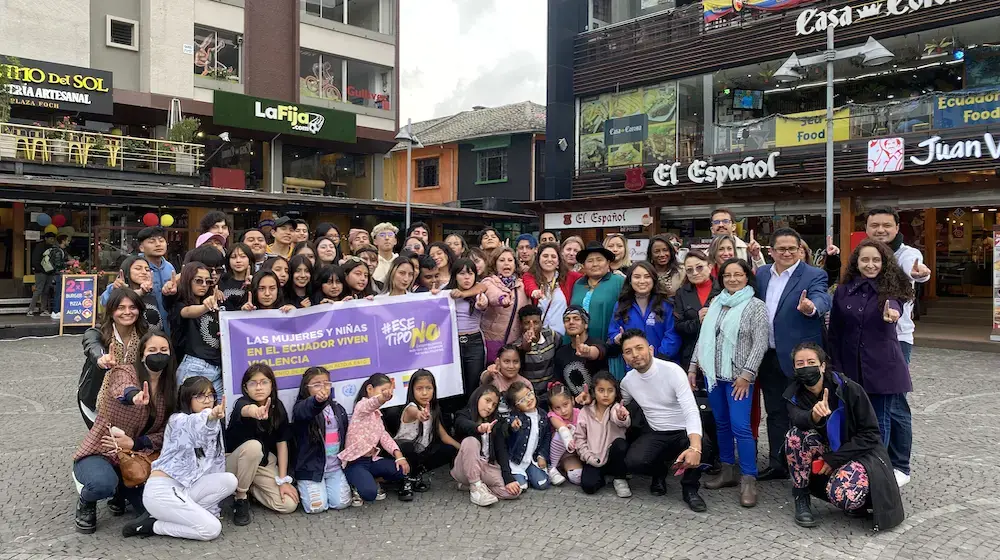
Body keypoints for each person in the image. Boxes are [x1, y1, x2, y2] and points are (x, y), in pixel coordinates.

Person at [784, 343, 904, 531]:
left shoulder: (849, 389)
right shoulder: (793, 394)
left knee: (844, 496)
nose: (805, 367)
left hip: (860, 454)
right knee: (795, 437)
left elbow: (871, 434)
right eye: (800, 363)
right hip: (828, 451)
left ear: (822, 366)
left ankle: (862, 502)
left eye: (811, 362)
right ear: (794, 369)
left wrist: (834, 459)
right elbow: (797, 419)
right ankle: (801, 497)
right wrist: (813, 416)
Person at [72, 330, 177, 534]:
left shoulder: (170, 388)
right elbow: (122, 388)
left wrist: (135, 444)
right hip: (102, 451)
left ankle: (122, 491)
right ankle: (86, 500)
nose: (159, 354)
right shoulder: (125, 371)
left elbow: (165, 432)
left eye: (164, 350)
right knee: (102, 484)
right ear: (142, 354)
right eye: (152, 350)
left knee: (152, 512)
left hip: (135, 456)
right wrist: (135, 396)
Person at [829, 239, 914, 486]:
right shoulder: (844, 290)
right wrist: (835, 367)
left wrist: (893, 313)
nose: (870, 264)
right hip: (849, 368)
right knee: (855, 422)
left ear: (884, 262)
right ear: (856, 262)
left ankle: (879, 473)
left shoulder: (892, 289)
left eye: (876, 260)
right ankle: (857, 469)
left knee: (879, 422)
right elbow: (835, 331)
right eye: (865, 259)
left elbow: (894, 307)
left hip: (882, 369)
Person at [689, 258, 769, 507]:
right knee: (722, 424)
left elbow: (760, 343)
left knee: (741, 427)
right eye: (727, 275)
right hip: (714, 377)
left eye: (738, 274)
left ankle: (748, 478)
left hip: (739, 380)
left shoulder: (756, 306)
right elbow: (703, 339)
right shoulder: (716, 304)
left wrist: (747, 374)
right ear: (721, 278)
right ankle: (727, 470)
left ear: (747, 277)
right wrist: (693, 367)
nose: (732, 279)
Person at [754, 227, 831, 482]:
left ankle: (809, 462)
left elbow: (822, 298)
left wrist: (812, 308)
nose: (787, 252)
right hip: (769, 355)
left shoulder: (814, 274)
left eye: (792, 248)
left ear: (800, 249)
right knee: (775, 411)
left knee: (805, 412)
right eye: (781, 249)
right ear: (772, 251)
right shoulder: (763, 273)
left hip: (800, 360)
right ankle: (779, 463)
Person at [125, 376, 236, 540]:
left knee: (229, 480)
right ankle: (154, 526)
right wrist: (210, 416)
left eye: (210, 395)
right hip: (162, 491)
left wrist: (212, 511)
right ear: (187, 398)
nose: (207, 400)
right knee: (211, 530)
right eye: (200, 396)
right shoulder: (177, 420)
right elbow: (195, 428)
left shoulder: (213, 423)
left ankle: (183, 516)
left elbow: (214, 464)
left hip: (186, 488)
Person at [620, 329, 707, 512]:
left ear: (650, 349)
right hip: (655, 431)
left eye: (639, 348)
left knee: (703, 445)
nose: (635, 355)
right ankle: (659, 471)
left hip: (683, 430)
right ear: (624, 357)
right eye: (629, 351)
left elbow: (691, 410)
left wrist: (695, 447)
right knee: (634, 461)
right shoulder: (628, 382)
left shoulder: (672, 371)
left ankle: (690, 489)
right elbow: (620, 403)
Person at [225, 364, 297, 525]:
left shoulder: (277, 407)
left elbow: (282, 443)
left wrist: (283, 480)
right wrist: (255, 412)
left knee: (288, 504)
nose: (259, 387)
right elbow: (245, 410)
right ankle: (241, 498)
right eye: (253, 383)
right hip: (233, 462)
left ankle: (250, 487)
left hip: (261, 463)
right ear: (245, 387)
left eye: (264, 382)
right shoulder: (241, 403)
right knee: (253, 447)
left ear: (272, 384)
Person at [864, 206, 931, 365]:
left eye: (886, 225)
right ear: (866, 228)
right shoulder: (862, 255)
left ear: (897, 228)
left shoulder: (906, 253)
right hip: (864, 334)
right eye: (875, 225)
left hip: (896, 335)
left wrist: (919, 272)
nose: (880, 230)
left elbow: (911, 265)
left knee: (894, 388)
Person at [78, 288, 150, 429]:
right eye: (121, 308)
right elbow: (91, 344)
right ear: (111, 311)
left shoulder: (146, 336)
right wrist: (101, 358)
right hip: (97, 397)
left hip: (133, 398)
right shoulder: (97, 332)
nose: (127, 312)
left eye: (132, 307)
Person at [339, 374, 410, 502]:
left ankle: (369, 479)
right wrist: (382, 398)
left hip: (371, 460)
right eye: (383, 390)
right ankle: (354, 482)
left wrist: (399, 456)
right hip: (355, 462)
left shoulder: (377, 415)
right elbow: (371, 404)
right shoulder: (361, 406)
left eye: (389, 391)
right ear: (369, 389)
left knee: (402, 470)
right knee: (369, 494)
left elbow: (385, 437)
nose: (387, 394)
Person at [292, 367, 352, 514]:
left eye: (326, 383)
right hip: (311, 469)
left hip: (334, 467)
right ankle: (304, 486)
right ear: (306, 388)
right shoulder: (301, 407)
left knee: (341, 503)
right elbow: (307, 409)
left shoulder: (338, 408)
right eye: (317, 384)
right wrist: (316, 401)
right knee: (316, 507)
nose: (323, 388)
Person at [607, 262, 682, 377]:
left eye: (647, 277)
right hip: (634, 368)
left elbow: (672, 335)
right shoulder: (621, 305)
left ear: (654, 280)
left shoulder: (666, 304)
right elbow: (613, 332)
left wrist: (655, 360)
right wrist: (617, 338)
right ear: (630, 281)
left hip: (664, 366)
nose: (642, 281)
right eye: (637, 277)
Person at [451, 385, 520, 506]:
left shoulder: (495, 421)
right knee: (470, 441)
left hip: (485, 466)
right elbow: (461, 424)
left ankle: (471, 486)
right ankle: (476, 487)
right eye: (487, 401)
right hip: (464, 466)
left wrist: (508, 477)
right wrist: (477, 428)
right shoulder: (463, 414)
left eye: (494, 405)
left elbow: (501, 450)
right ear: (477, 397)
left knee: (513, 492)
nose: (489, 407)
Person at [394, 370, 461, 493]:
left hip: (422, 451)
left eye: (428, 388)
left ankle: (417, 471)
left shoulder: (433, 410)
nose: (424, 393)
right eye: (419, 389)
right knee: (409, 447)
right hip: (404, 452)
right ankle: (407, 479)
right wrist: (420, 415)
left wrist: (462, 447)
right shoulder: (410, 408)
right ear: (412, 390)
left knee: (448, 449)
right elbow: (415, 412)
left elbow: (444, 436)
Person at [570, 242, 625, 376]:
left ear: (608, 262)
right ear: (584, 265)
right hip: (581, 345)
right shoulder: (578, 284)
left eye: (599, 260)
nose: (595, 264)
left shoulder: (618, 281)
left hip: (608, 346)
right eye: (590, 261)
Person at [574, 372, 632, 497]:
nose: (605, 395)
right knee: (588, 486)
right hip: (595, 458)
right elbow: (579, 438)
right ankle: (605, 477)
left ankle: (619, 477)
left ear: (615, 392)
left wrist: (622, 417)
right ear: (594, 392)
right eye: (601, 390)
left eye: (610, 390)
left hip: (613, 457)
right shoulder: (585, 412)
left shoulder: (616, 409)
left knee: (621, 444)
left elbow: (622, 421)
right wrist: (588, 457)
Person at [174, 262, 225, 398]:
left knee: (218, 415)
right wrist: (205, 307)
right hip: (195, 365)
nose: (203, 285)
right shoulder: (179, 303)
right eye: (198, 280)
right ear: (187, 280)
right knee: (189, 414)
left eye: (208, 281)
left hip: (219, 367)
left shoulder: (215, 304)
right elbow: (188, 312)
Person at [447, 258, 490, 397]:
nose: (466, 278)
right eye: (462, 273)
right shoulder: (446, 293)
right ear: (454, 275)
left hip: (474, 342)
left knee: (473, 385)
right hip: (452, 343)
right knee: (454, 386)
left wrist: (478, 301)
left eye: (470, 274)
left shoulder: (479, 293)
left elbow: (482, 293)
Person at [522, 242, 582, 336]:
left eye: (553, 256)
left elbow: (588, 277)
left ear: (558, 261)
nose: (549, 259)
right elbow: (529, 285)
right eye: (545, 256)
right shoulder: (530, 276)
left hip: (563, 335)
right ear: (538, 259)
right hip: (540, 337)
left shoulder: (569, 277)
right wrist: (534, 292)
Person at [481, 246, 528, 361]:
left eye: (510, 260)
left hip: (515, 341)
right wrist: (501, 298)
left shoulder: (521, 285)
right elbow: (492, 294)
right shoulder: (489, 281)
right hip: (493, 340)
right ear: (494, 264)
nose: (506, 264)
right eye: (501, 260)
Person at [673, 250, 717, 371]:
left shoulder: (723, 289)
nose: (695, 273)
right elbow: (678, 325)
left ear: (709, 266)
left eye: (699, 267)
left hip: (719, 355)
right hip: (691, 354)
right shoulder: (682, 293)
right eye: (690, 270)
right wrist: (698, 321)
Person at [505, 381, 552, 491]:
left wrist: (542, 456)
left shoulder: (542, 415)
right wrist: (512, 425)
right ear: (516, 406)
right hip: (516, 461)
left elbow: (546, 436)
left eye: (529, 394)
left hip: (532, 459)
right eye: (522, 400)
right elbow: (508, 426)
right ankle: (519, 476)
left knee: (543, 484)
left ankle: (531, 474)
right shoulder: (516, 417)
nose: (528, 400)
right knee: (521, 487)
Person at [553, 306, 607, 397]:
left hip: (598, 403)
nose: (571, 322)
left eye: (576, 318)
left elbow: (598, 352)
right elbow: (559, 384)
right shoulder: (560, 353)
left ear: (585, 324)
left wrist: (588, 352)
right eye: (567, 320)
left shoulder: (597, 344)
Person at [514, 305, 560, 405]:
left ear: (541, 322)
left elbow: (559, 351)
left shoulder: (551, 336)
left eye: (535, 322)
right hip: (529, 396)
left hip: (550, 393)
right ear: (521, 325)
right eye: (527, 323)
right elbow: (523, 351)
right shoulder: (516, 346)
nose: (532, 327)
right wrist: (526, 344)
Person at [545, 382, 582, 486]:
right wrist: (569, 438)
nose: (563, 410)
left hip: (575, 452)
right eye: (557, 408)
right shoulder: (553, 416)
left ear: (572, 400)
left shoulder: (579, 413)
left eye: (566, 404)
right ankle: (551, 467)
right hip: (561, 454)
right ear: (552, 409)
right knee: (561, 434)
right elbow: (562, 428)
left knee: (577, 477)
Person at [27, 232, 57, 316]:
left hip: (50, 272)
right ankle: (30, 310)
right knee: (38, 290)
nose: (52, 240)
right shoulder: (39, 247)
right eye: (50, 238)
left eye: (53, 239)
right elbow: (35, 260)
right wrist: (41, 270)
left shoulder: (53, 248)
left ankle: (43, 310)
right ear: (46, 238)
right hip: (40, 272)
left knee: (46, 291)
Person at [217, 243, 252, 311]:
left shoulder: (257, 280)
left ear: (250, 259)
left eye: (243, 256)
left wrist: (251, 286)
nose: (238, 261)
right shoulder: (221, 279)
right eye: (233, 257)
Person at [43, 234, 71, 319]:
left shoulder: (61, 250)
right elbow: (58, 265)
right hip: (57, 275)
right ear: (63, 241)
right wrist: (68, 263)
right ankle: (56, 311)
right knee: (58, 293)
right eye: (67, 240)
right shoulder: (58, 251)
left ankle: (57, 311)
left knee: (59, 293)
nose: (68, 242)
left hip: (57, 275)